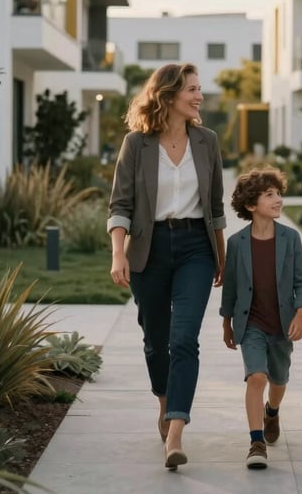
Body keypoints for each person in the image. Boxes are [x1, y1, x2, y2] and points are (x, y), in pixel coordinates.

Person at [108, 62, 226, 470]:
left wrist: (221, 257)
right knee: (156, 340)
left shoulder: (207, 141)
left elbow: (215, 208)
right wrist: (118, 252)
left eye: (199, 89)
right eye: (192, 89)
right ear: (169, 95)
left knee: (184, 339)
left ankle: (176, 429)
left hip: (196, 246)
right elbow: (120, 204)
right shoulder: (136, 144)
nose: (199, 96)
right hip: (149, 248)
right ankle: (164, 401)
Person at [220, 166, 302, 470]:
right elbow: (231, 287)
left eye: (279, 194)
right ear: (251, 205)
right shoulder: (236, 244)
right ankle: (256, 441)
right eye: (269, 195)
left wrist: (301, 314)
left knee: (279, 378)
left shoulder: (290, 238)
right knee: (256, 376)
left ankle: (272, 410)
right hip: (251, 324)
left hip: (283, 324)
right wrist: (226, 322)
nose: (278, 200)